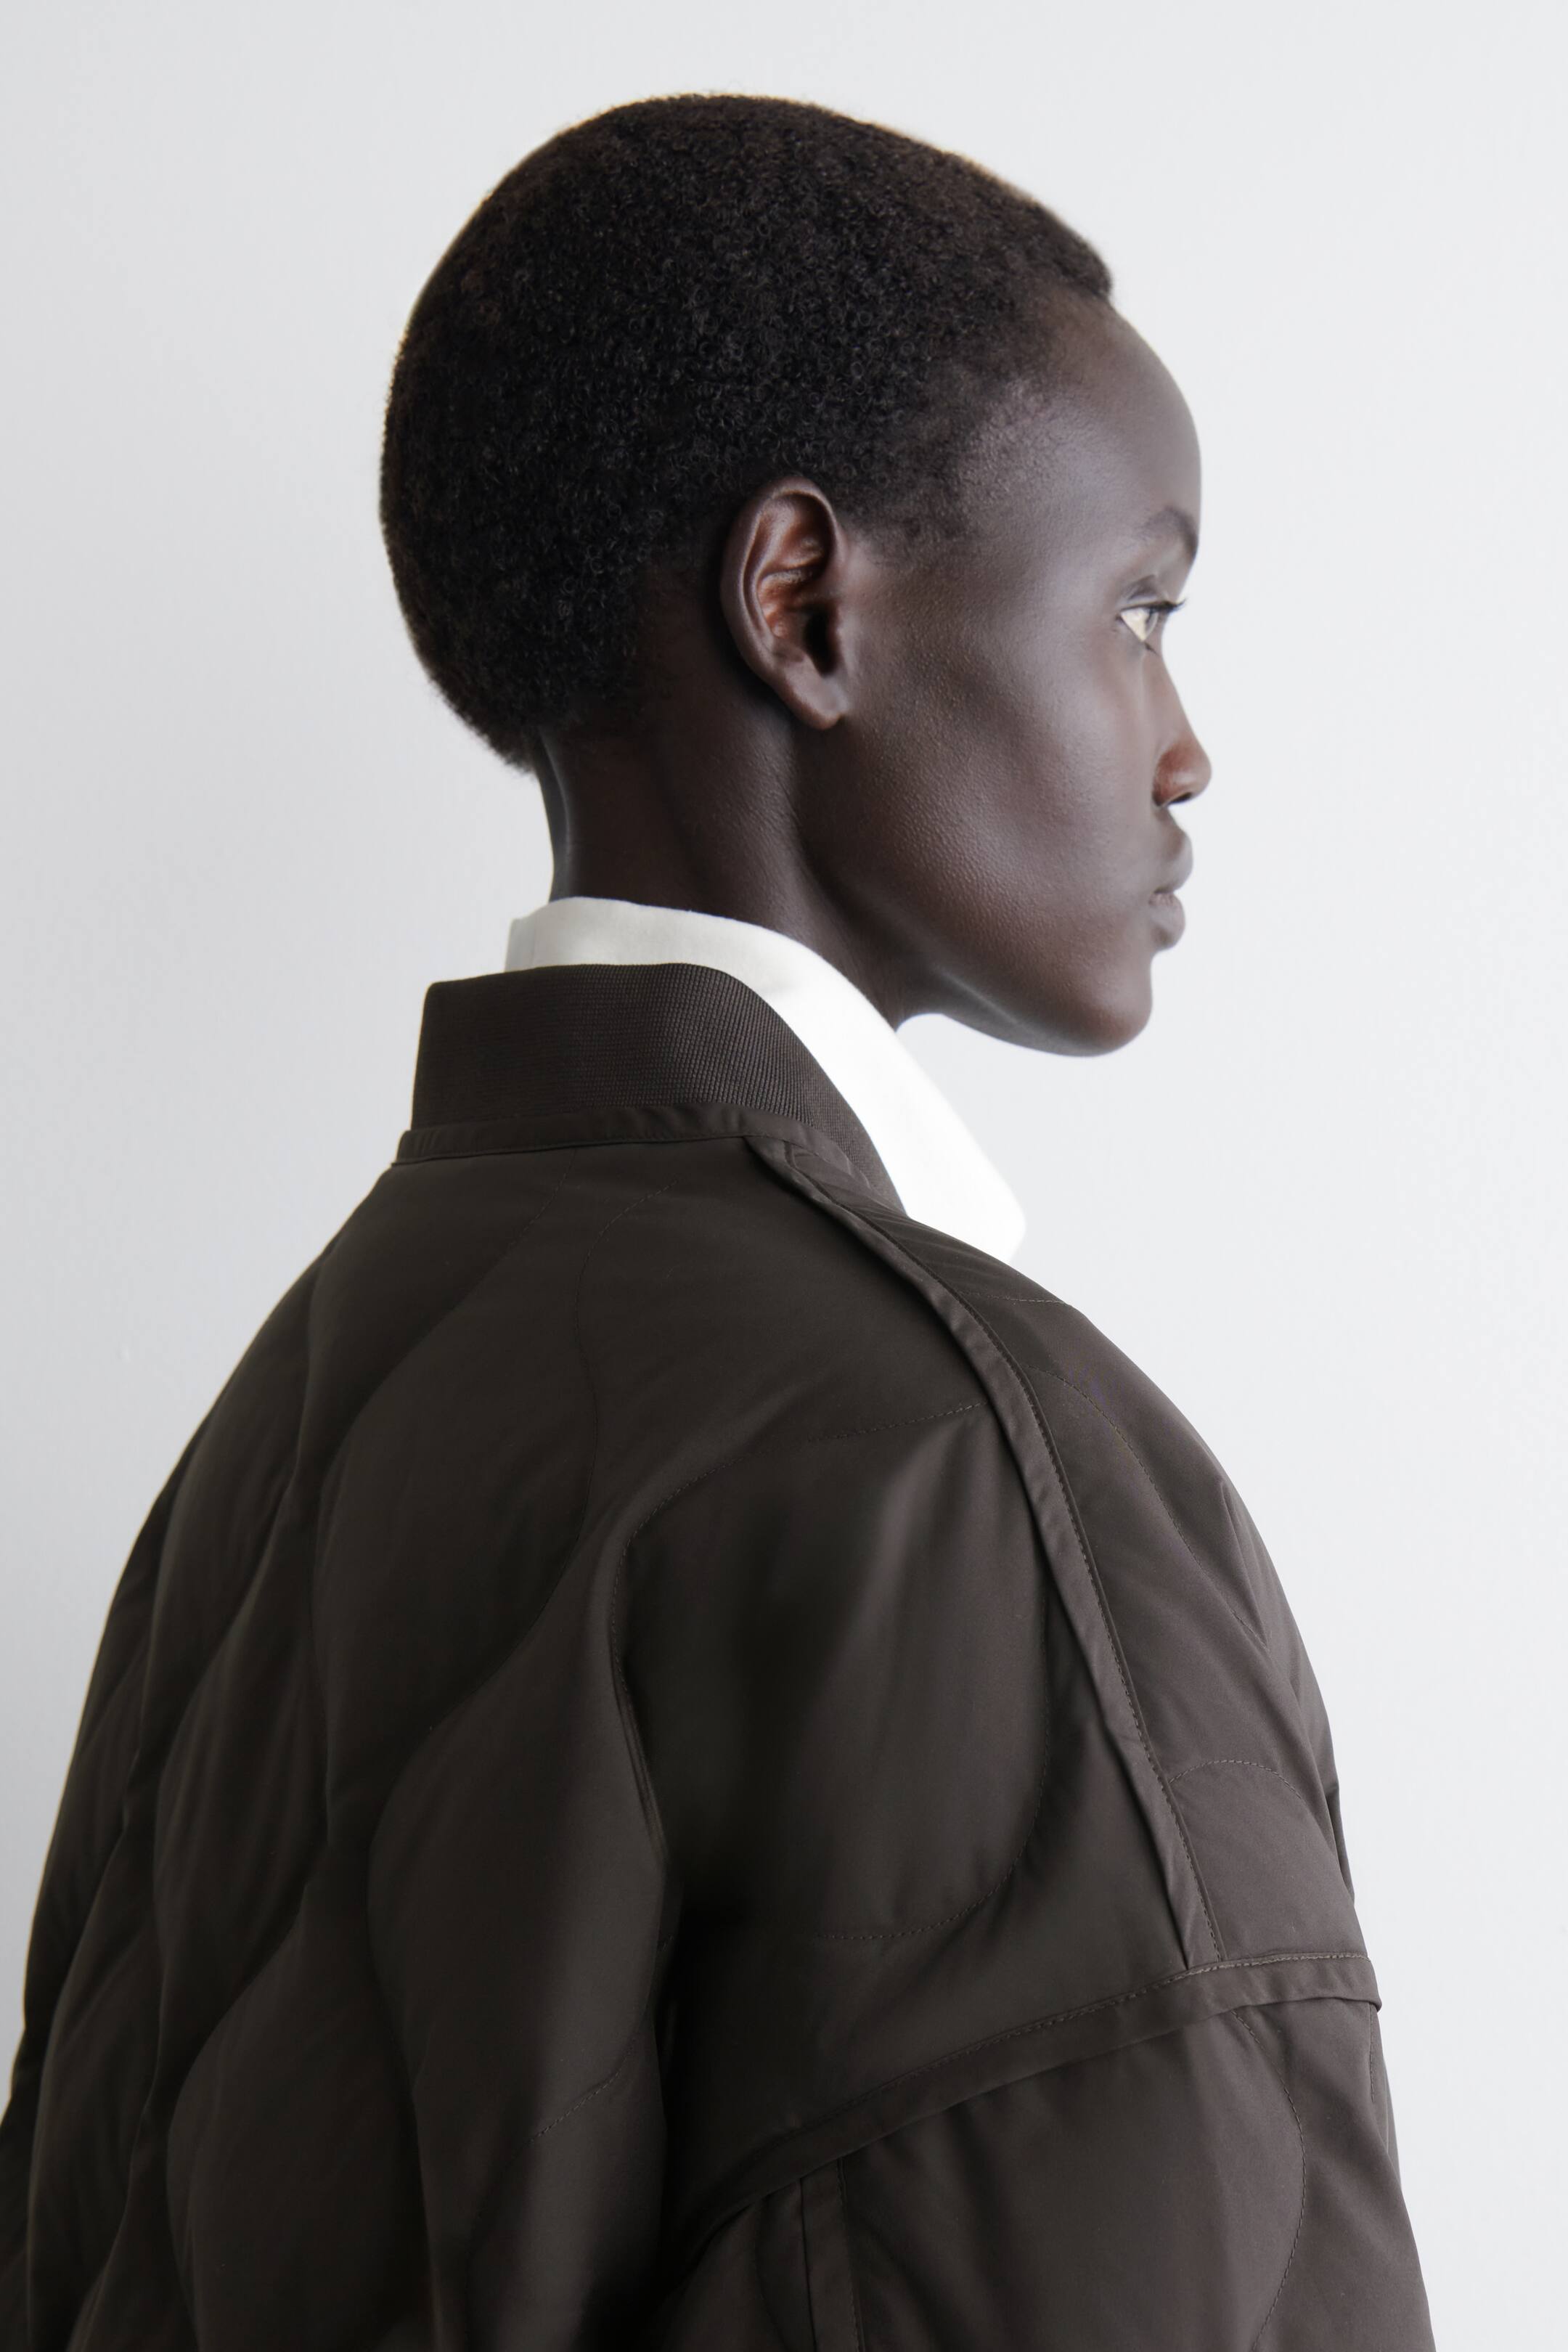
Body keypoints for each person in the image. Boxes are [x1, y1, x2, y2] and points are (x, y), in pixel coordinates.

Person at [0, 93, 1434, 2351]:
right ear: (803, 607)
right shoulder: (958, 1473)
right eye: (1140, 609)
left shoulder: (280, 1432)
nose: (1183, 748)